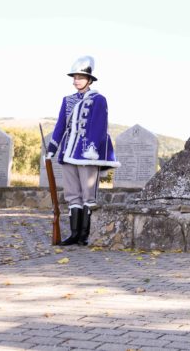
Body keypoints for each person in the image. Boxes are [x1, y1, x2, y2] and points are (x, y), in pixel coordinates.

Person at [46, 56, 120, 246]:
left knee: (88, 195)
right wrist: (52, 149)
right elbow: (61, 125)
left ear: (89, 80)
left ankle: (85, 235)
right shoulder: (68, 100)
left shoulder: (99, 100)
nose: (76, 80)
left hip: (87, 154)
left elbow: (99, 126)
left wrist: (92, 150)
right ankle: (74, 234)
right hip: (68, 153)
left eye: (80, 77)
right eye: (75, 77)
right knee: (72, 195)